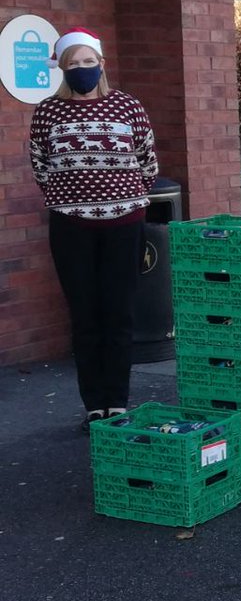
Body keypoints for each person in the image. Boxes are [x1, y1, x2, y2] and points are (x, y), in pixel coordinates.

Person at [28, 28, 159, 431]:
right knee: (85, 316)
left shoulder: (128, 107)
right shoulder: (47, 111)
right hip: (71, 228)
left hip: (124, 225)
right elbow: (40, 166)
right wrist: (75, 200)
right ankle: (94, 405)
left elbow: (147, 162)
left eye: (88, 62)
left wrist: (121, 198)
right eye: (73, 63)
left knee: (118, 313)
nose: (82, 69)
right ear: (62, 69)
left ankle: (117, 402)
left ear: (101, 65)